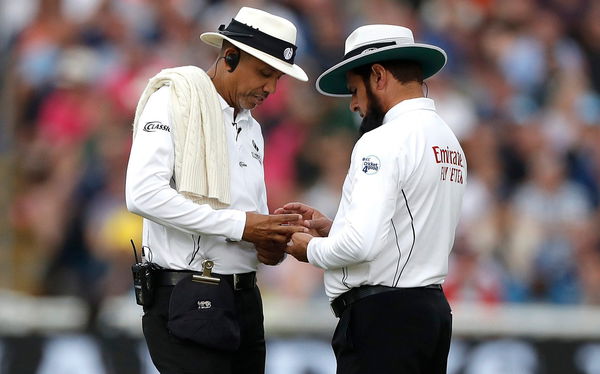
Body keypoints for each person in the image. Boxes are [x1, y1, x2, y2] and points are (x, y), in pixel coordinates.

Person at [125, 7, 308, 374]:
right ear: (229, 56)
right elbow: (142, 194)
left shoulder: (252, 128)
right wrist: (243, 226)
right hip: (189, 294)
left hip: (244, 300)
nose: (271, 88)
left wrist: (270, 241)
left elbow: (248, 220)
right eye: (264, 73)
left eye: (277, 78)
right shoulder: (173, 100)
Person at [280, 25, 467, 373]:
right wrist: (336, 230)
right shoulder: (449, 141)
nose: (353, 104)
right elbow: (402, 234)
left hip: (384, 320)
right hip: (430, 312)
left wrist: (310, 249)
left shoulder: (382, 140)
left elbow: (360, 246)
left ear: (378, 76)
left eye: (354, 90)